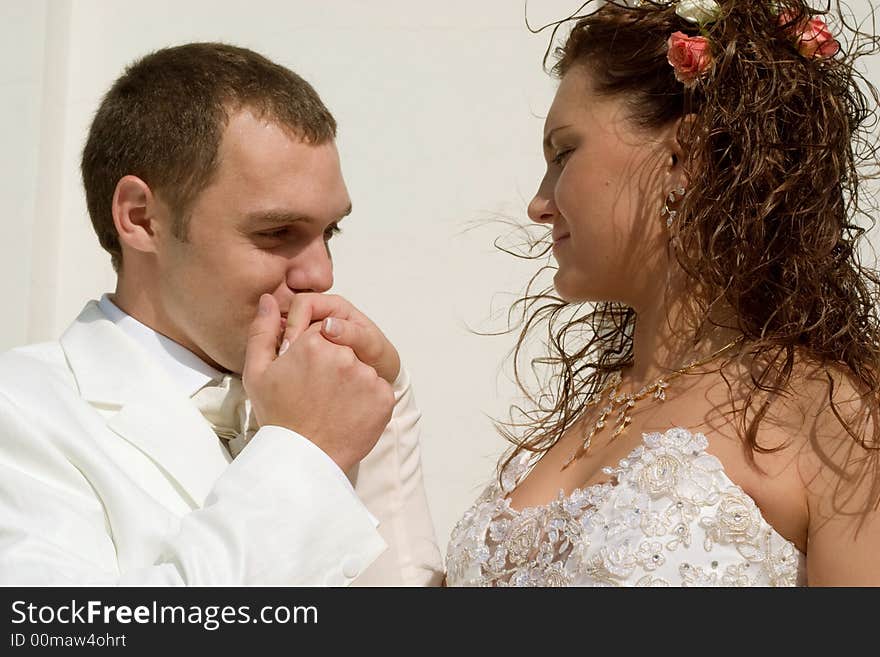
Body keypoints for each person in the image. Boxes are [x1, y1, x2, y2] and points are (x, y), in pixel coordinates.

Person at [446, 0, 880, 586]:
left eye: (563, 152)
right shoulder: (595, 411)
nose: (539, 204)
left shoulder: (836, 419)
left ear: (685, 157)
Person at [0, 42, 442, 586]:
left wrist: (383, 417)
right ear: (141, 219)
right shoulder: (20, 411)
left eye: (329, 232)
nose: (320, 275)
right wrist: (303, 453)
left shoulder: (327, 397)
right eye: (277, 232)